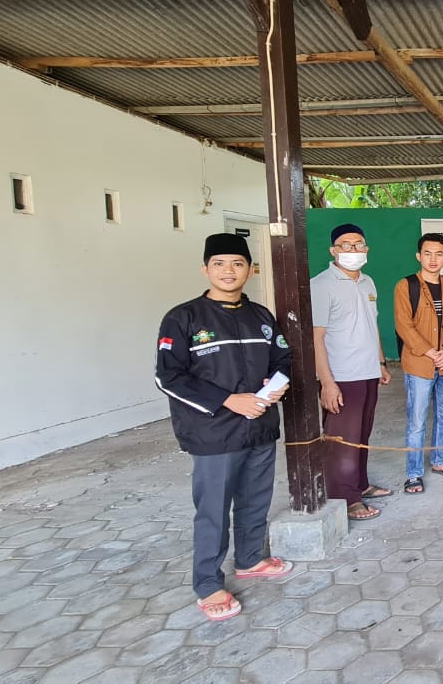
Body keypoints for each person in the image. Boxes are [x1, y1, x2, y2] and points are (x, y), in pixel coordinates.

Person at [155, 233, 293, 622]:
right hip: (213, 430)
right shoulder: (184, 318)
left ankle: (250, 558)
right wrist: (229, 400)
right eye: (219, 264)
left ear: (250, 269)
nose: (229, 271)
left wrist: (273, 388)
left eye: (237, 264)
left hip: (260, 424)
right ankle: (207, 582)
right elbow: (169, 377)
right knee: (213, 508)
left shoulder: (261, 316)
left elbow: (283, 357)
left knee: (255, 497)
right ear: (205, 269)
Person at [310, 223, 393, 521]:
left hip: (368, 371)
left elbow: (373, 326)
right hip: (342, 376)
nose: (353, 250)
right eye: (346, 245)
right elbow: (316, 338)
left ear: (366, 249)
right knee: (341, 439)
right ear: (334, 251)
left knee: (362, 434)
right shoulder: (320, 285)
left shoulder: (368, 282)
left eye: (359, 244)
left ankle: (360, 484)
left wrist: (381, 363)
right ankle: (345, 499)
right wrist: (327, 383)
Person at [394, 233, 443, 495]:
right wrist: (431, 352)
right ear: (419, 256)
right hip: (419, 364)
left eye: (439, 254)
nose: (433, 259)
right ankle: (414, 473)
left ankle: (440, 461)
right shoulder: (406, 286)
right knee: (417, 420)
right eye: (428, 253)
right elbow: (404, 325)